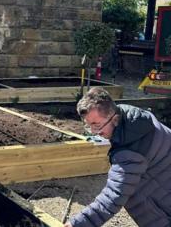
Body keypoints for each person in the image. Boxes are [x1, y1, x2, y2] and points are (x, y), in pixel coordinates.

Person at [64, 87, 171, 227]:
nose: (94, 132)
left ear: (114, 119)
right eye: (89, 126)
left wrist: (76, 224)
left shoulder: (130, 151)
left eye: (97, 125)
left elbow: (113, 196)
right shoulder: (135, 120)